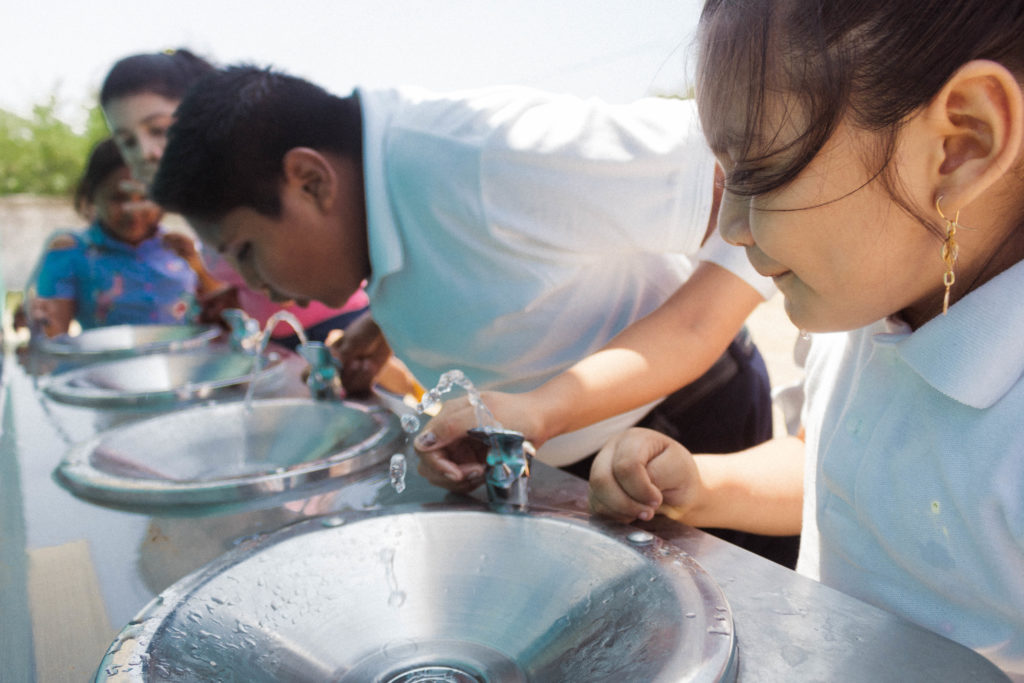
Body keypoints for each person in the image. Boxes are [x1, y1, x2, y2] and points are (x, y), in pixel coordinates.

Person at [150, 66, 801, 567]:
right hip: (559, 454)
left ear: (311, 181)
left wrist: (547, 406)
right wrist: (382, 326)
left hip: (681, 430)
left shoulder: (486, 154)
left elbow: (754, 173)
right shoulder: (366, 202)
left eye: (246, 251)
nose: (255, 282)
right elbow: (473, 259)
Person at [587, 0, 1024, 677]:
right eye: (725, 178)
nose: (730, 226)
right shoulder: (864, 308)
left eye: (759, 170)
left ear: (960, 144)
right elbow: (828, 461)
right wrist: (702, 483)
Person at [99, 48, 370, 351]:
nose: (145, 152)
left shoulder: (260, 184)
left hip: (333, 327)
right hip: (279, 337)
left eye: (160, 130)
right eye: (127, 142)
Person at [29, 138, 209, 336]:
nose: (132, 211)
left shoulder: (182, 249)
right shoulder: (70, 250)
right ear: (92, 193)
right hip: (107, 366)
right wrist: (39, 321)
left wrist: (201, 269)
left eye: (145, 197)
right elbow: (52, 339)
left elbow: (222, 316)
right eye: (118, 198)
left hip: (183, 363)